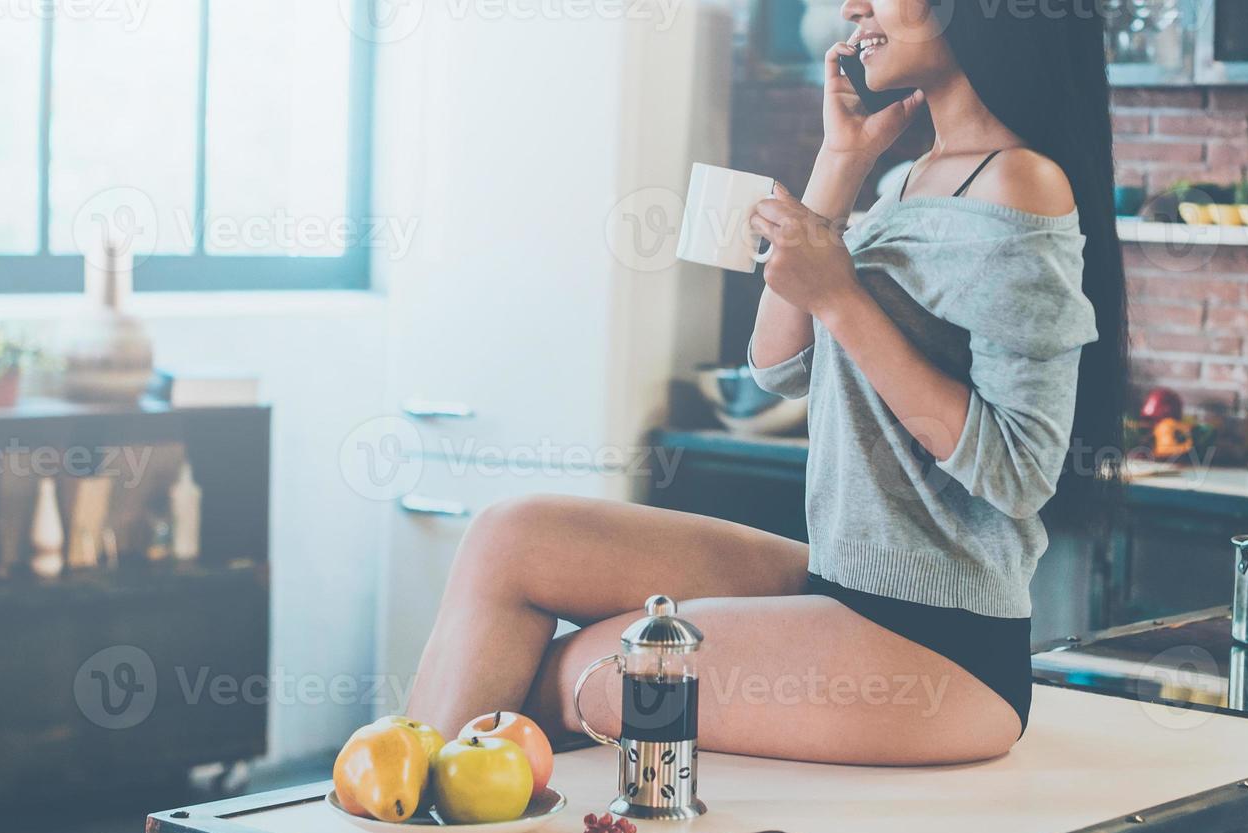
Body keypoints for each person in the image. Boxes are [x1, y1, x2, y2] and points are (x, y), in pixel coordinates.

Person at [407, 0, 1127, 766]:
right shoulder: (909, 178)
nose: (853, 8)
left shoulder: (1021, 182)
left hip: (940, 639)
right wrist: (840, 159)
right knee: (512, 536)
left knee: (583, 672)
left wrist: (841, 297)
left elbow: (1018, 472)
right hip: (838, 578)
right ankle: (390, 831)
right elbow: (778, 365)